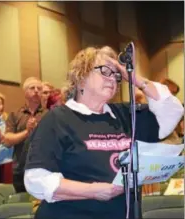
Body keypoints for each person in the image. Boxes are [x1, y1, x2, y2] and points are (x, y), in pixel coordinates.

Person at [24, 46, 184, 219]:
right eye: (104, 71)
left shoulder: (126, 114)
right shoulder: (58, 119)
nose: (113, 79)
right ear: (81, 76)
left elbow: (172, 111)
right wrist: (93, 191)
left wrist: (133, 77)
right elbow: (36, 180)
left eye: (116, 75)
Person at [4, 77, 47, 193]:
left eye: (39, 88)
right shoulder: (15, 114)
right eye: (32, 88)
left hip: (44, 168)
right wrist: (27, 132)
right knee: (21, 204)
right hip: (20, 169)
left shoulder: (50, 114)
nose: (36, 91)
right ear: (25, 92)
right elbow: (7, 141)